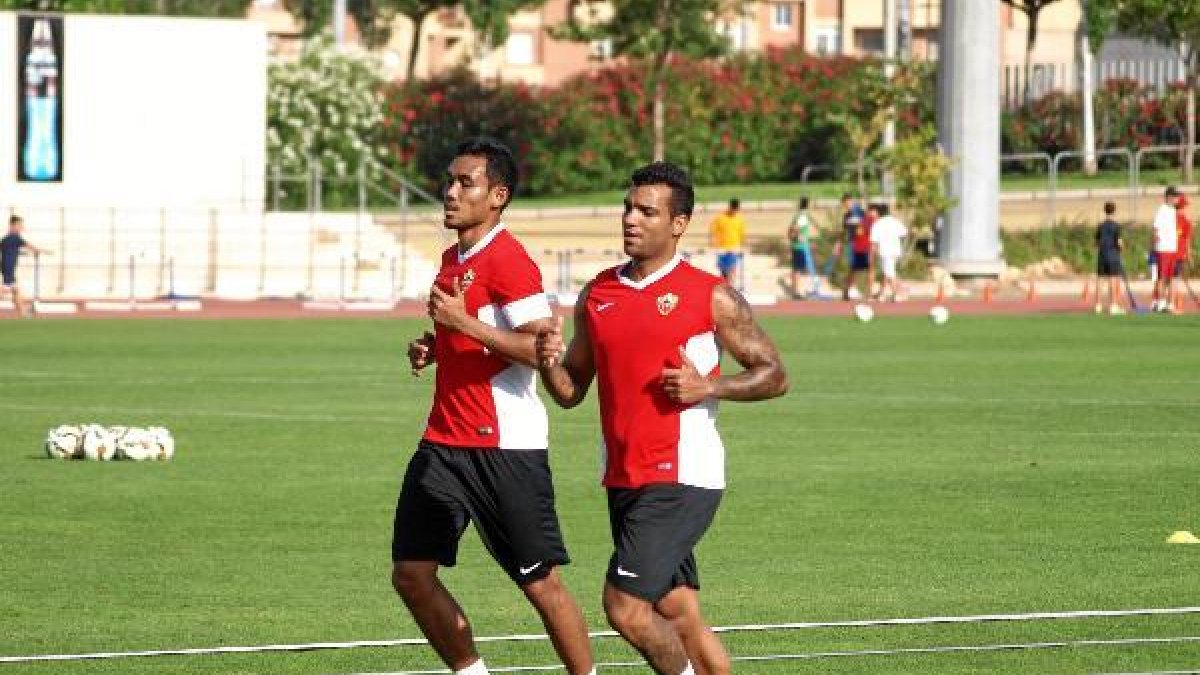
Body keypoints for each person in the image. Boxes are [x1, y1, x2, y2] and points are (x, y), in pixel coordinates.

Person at [534, 161, 789, 675]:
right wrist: (546, 360)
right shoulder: (597, 294)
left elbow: (774, 374)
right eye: (628, 207)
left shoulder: (709, 295)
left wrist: (707, 385)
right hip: (624, 478)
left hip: (681, 477)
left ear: (678, 224)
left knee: (624, 608)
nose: (631, 218)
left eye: (646, 211)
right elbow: (570, 391)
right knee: (680, 613)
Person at [393, 137, 595, 675]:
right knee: (411, 573)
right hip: (443, 443)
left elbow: (540, 348)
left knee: (539, 583)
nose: (451, 192)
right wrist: (435, 346)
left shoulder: (509, 261)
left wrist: (463, 325)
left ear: (498, 195)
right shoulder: (451, 259)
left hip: (504, 449)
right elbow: (475, 336)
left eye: (466, 183)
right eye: (450, 180)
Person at [1, 215, 45, 317]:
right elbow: (32, 247)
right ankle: (24, 313)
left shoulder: (6, 239)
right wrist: (45, 251)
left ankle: (23, 314)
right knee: (5, 291)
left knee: (16, 291)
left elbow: (10, 251)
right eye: (19, 225)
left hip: (6, 267)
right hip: (9, 268)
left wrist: (22, 253)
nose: (21, 227)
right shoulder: (15, 238)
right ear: (12, 225)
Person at [868, 204, 907, 302]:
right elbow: (904, 232)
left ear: (878, 212)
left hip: (886, 252)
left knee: (890, 273)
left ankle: (899, 293)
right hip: (896, 251)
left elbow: (874, 242)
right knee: (887, 272)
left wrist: (871, 256)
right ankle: (882, 294)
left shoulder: (877, 224)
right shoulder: (894, 221)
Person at [830, 193, 865, 300]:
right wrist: (838, 244)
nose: (847, 205)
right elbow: (843, 231)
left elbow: (867, 225)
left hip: (861, 242)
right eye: (845, 204)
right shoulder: (846, 216)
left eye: (848, 203)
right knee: (853, 266)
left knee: (856, 267)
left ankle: (848, 289)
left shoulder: (860, 212)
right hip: (851, 243)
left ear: (852, 201)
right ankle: (850, 289)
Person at [1093, 201, 1126, 315]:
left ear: (1104, 211)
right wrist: (1121, 250)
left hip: (1102, 255)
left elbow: (1096, 243)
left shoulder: (1100, 226)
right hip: (1113, 256)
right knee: (1112, 280)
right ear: (1114, 211)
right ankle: (1113, 305)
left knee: (1100, 280)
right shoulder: (1116, 226)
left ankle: (1098, 305)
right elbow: (1119, 242)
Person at [1151, 186, 1179, 313]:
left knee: (1169, 277)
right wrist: (1156, 241)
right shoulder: (1162, 210)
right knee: (1162, 276)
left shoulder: (1173, 210)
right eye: (1174, 196)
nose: (1177, 199)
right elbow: (1156, 228)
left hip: (1172, 248)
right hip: (1163, 248)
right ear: (1169, 197)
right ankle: (1161, 302)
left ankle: (1168, 302)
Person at [708, 198, 745, 287]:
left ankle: (730, 288)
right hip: (722, 247)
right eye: (734, 209)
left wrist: (741, 246)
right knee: (723, 271)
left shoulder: (739, 219)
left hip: (734, 247)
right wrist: (712, 242)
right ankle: (725, 287)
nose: (735, 211)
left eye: (737, 209)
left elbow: (742, 233)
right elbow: (712, 231)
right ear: (730, 207)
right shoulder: (720, 218)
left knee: (732, 269)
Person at [786, 196, 816, 298]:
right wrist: (798, 236)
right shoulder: (802, 216)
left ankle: (796, 290)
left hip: (797, 246)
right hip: (800, 247)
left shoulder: (798, 215)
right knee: (798, 269)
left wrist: (793, 236)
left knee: (797, 268)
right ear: (808, 205)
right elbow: (795, 228)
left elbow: (791, 229)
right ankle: (797, 292)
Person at [1174, 192, 1193, 312]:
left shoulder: (1169, 217)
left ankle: (1171, 304)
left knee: (1169, 280)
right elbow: (1187, 241)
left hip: (1168, 252)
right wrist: (1189, 256)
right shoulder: (1186, 221)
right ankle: (1178, 306)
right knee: (1177, 280)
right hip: (1179, 254)